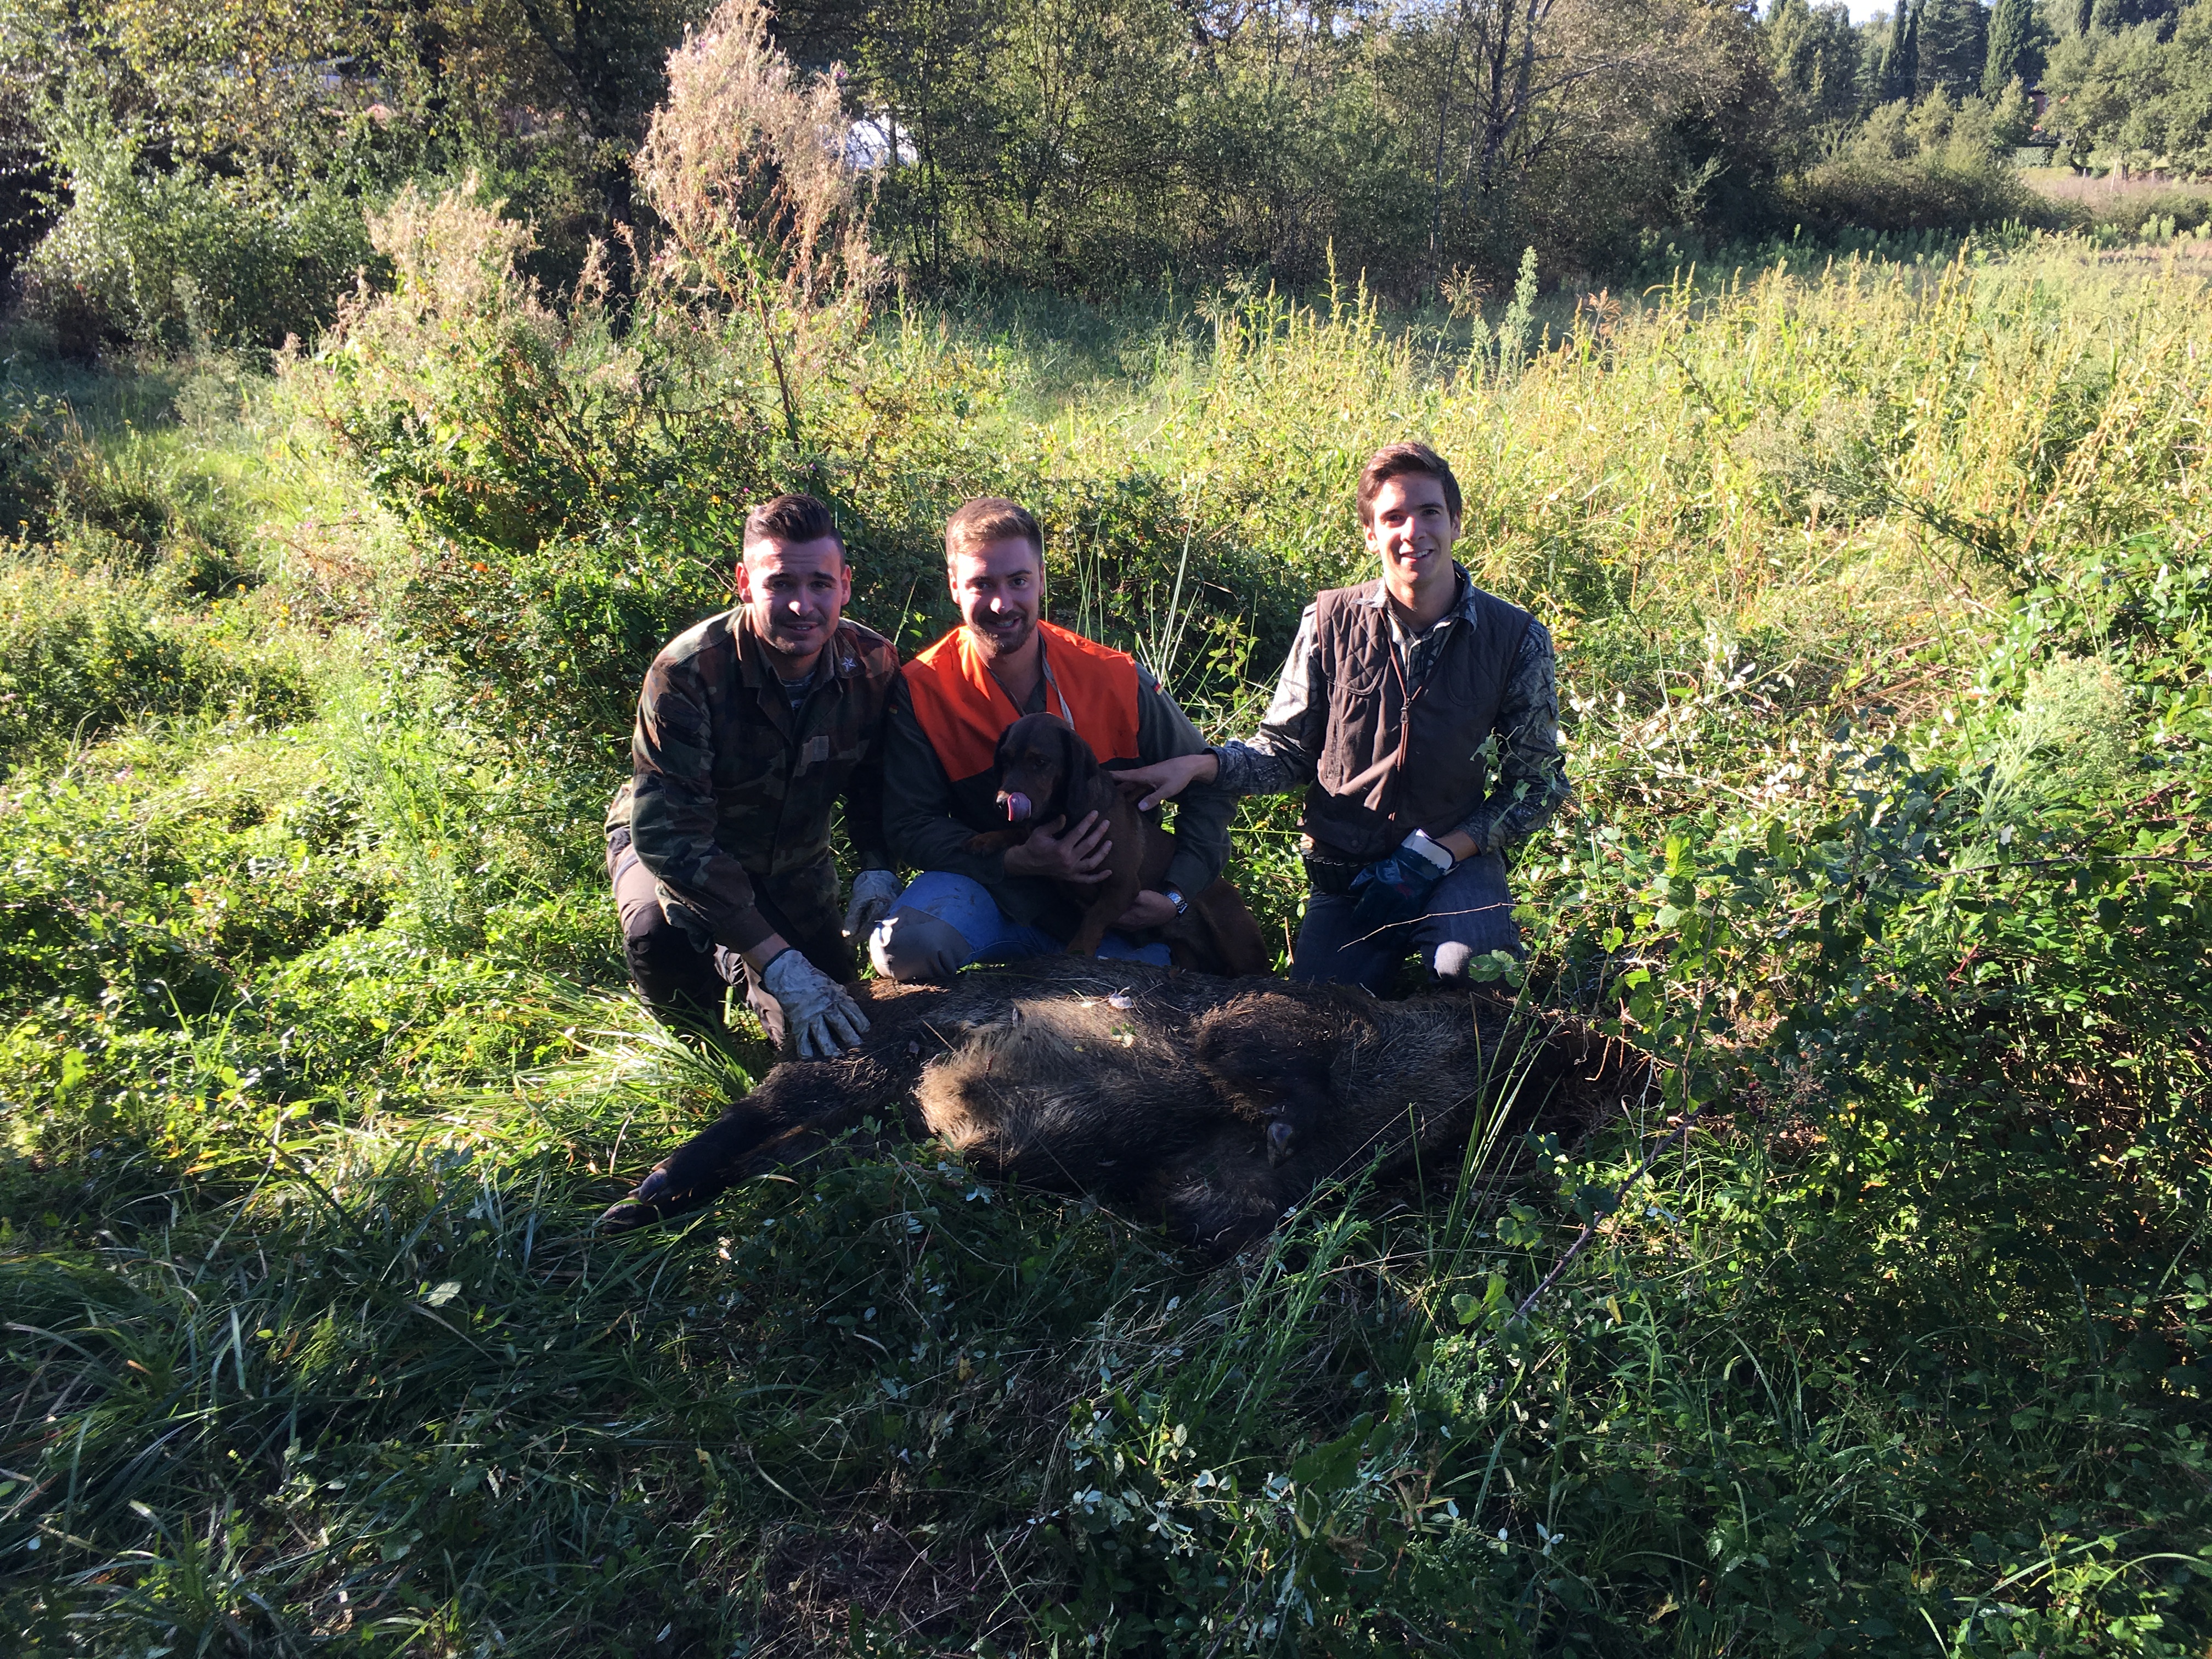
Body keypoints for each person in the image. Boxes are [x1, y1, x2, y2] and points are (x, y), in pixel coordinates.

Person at [1120, 442, 1569, 992]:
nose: (1413, 532)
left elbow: (1537, 784)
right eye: (1393, 518)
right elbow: (1284, 755)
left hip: (1456, 862)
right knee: (1316, 1026)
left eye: (1429, 512)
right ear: (1370, 533)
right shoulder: (1328, 621)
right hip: (1348, 872)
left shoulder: (1515, 638)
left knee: (1473, 974)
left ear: (1455, 521)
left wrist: (1441, 852)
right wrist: (1201, 766)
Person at [868, 497, 1235, 980]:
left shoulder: (1114, 676)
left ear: (1041, 579)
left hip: (1108, 914)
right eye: (982, 584)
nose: (1003, 604)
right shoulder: (923, 689)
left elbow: (1209, 785)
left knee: (1152, 1003)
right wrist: (1016, 859)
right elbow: (910, 825)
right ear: (955, 586)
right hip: (997, 895)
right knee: (905, 946)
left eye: (1018, 581)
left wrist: (1175, 894)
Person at [605, 492, 905, 1056]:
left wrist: (877, 866)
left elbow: (877, 782)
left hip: (791, 860)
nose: (801, 606)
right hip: (679, 849)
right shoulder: (689, 671)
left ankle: (744, 957)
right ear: (745, 583)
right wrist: (774, 957)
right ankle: (695, 1031)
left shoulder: (872, 663)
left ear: (844, 584)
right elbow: (672, 838)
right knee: (655, 932)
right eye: (780, 585)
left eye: (819, 584)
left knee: (830, 1033)